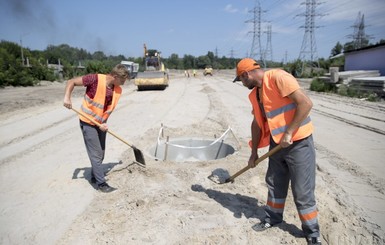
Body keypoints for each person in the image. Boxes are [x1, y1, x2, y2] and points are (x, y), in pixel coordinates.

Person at [233, 58, 321, 245]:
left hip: (298, 143)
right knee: (274, 183)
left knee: (302, 191)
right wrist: (254, 152)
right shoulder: (255, 94)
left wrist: (289, 132)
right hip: (277, 145)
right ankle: (273, 218)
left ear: (246, 74)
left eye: (241, 80)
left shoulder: (278, 78)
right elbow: (257, 123)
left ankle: (312, 232)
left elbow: (305, 104)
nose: (242, 84)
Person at [63, 64, 129, 193]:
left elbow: (106, 108)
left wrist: (103, 123)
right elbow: (71, 82)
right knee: (96, 154)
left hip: (101, 124)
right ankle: (101, 183)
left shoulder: (116, 89)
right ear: (115, 76)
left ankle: (94, 175)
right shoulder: (94, 79)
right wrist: (67, 97)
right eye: (122, 81)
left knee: (101, 153)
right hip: (88, 121)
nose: (123, 84)